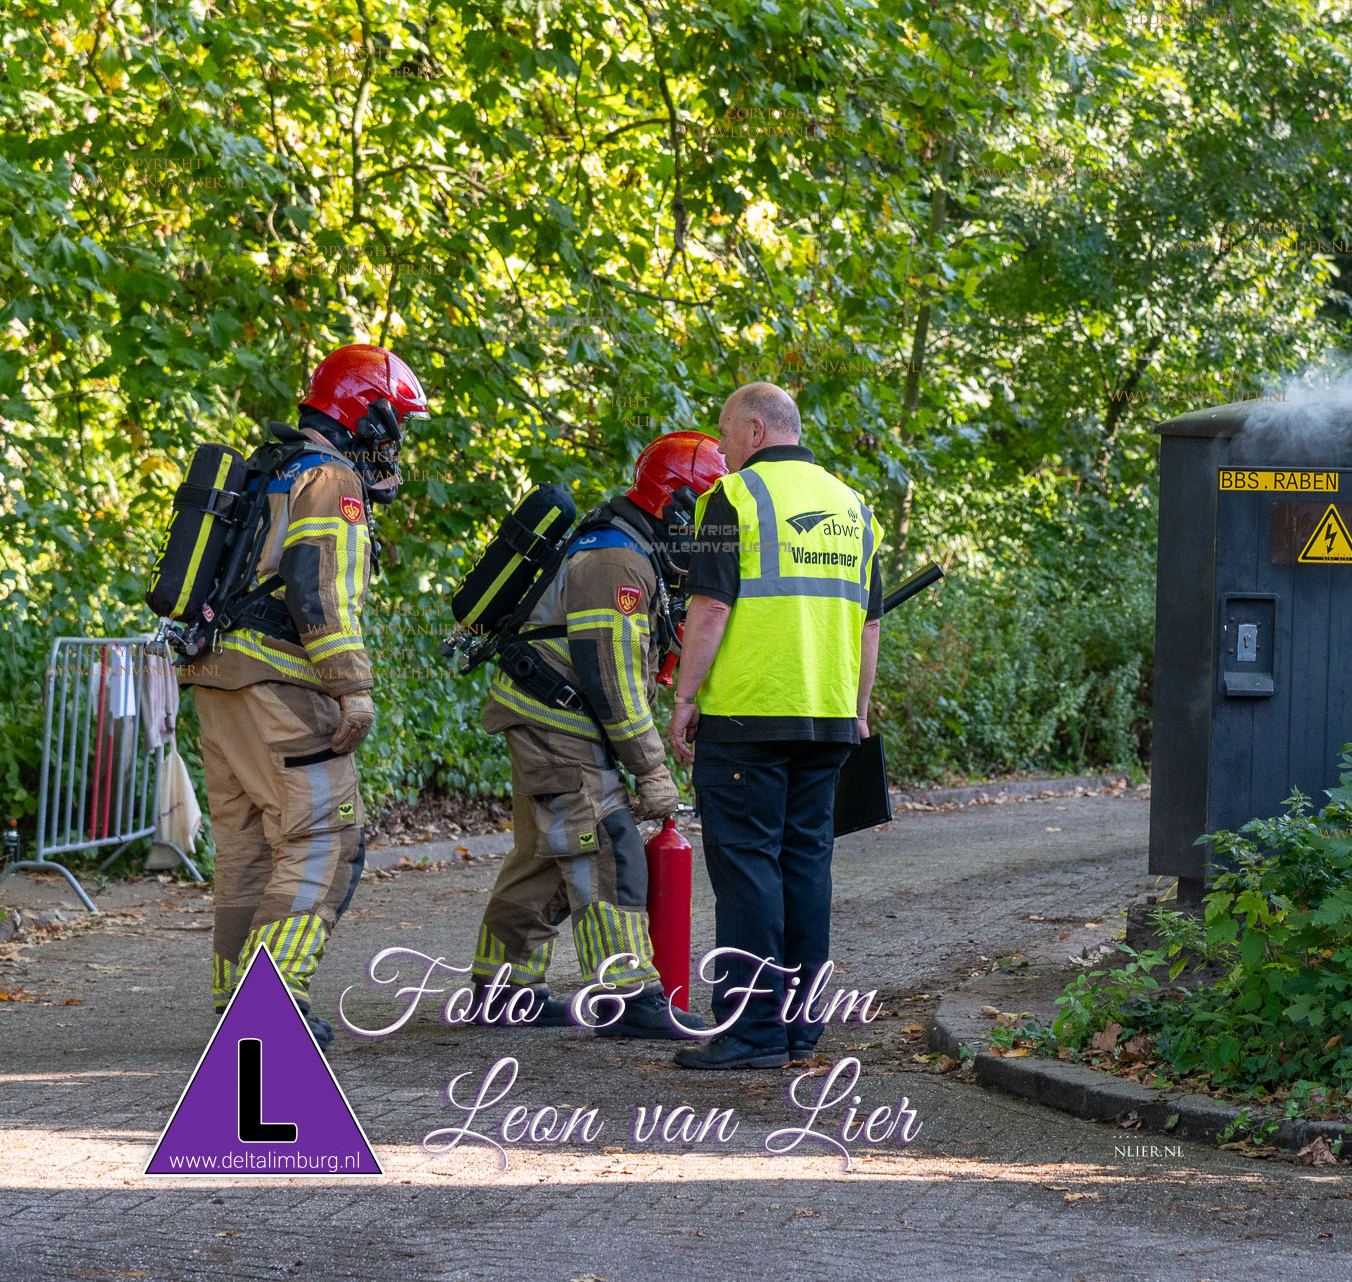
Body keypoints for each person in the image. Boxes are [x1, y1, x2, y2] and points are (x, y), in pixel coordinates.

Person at [181, 343, 429, 1047]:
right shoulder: (331, 478)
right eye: (395, 424)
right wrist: (352, 687)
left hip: (218, 679)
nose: (396, 443)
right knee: (323, 838)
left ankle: (238, 1001)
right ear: (366, 414)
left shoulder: (271, 470)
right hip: (280, 685)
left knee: (249, 850)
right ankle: (273, 1005)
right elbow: (318, 587)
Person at [468, 431, 725, 1038]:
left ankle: (501, 992)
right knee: (608, 847)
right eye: (709, 518)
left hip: (552, 718)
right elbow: (610, 679)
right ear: (677, 504)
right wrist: (652, 771)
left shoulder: (634, 549)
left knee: (545, 859)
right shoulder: (617, 561)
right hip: (561, 725)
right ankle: (627, 995)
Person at [667, 382, 882, 1070]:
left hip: (748, 714)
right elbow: (869, 625)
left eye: (727, 434)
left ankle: (751, 1029)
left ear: (756, 430)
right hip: (826, 716)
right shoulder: (855, 508)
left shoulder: (730, 500)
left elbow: (709, 610)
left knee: (749, 867)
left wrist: (684, 696)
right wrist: (859, 707)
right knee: (805, 863)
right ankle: (799, 1026)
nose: (722, 449)